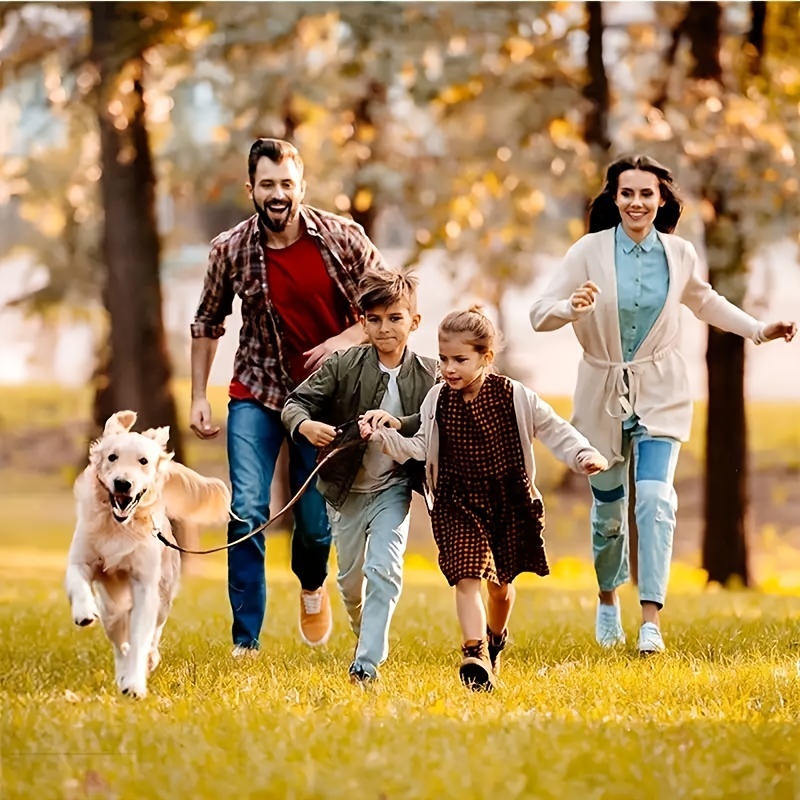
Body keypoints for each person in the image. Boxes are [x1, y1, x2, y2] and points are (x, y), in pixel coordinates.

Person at [529, 154, 797, 655]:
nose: (636, 202)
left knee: (655, 500)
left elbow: (706, 302)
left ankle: (651, 618)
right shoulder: (587, 251)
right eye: (627, 193)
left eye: (646, 194)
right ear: (614, 198)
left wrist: (759, 330)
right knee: (609, 512)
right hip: (602, 390)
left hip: (661, 390)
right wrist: (571, 308)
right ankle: (608, 598)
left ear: (661, 200)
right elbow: (538, 314)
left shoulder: (679, 254)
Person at [190, 137, 388, 656]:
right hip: (256, 392)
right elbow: (208, 322)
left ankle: (310, 584)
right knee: (248, 509)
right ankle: (246, 640)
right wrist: (197, 395)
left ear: (301, 186)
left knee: (316, 524)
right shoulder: (229, 249)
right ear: (251, 188)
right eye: (267, 184)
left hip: (324, 402)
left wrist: (344, 340)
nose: (277, 194)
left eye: (286, 184)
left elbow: (394, 303)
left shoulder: (344, 239)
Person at [364, 307, 607, 691]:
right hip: (457, 500)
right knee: (466, 575)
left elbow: (554, 427)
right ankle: (474, 652)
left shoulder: (515, 396)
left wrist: (583, 455)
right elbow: (419, 446)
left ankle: (494, 640)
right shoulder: (437, 399)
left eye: (460, 359)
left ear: (485, 358)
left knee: (501, 588)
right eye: (444, 359)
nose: (449, 368)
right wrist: (384, 437)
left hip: (507, 501)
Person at [282, 271, 437, 684]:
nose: (384, 328)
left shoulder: (430, 374)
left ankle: (366, 665)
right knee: (351, 584)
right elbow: (294, 403)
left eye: (395, 318)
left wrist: (397, 423)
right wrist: (306, 427)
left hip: (394, 489)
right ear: (363, 321)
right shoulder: (343, 363)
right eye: (374, 319)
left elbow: (433, 421)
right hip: (345, 491)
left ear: (414, 322)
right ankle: (362, 632)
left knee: (384, 569)